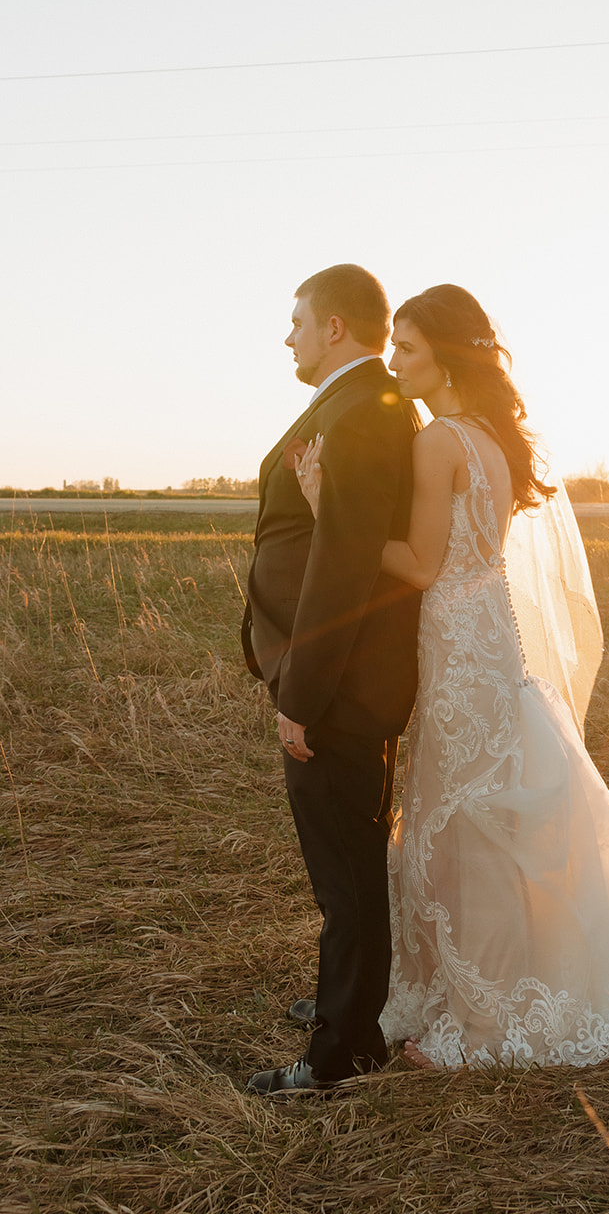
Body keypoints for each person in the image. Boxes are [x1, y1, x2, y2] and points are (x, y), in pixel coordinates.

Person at [297, 284, 609, 1069]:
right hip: (494, 638)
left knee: (457, 825)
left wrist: (329, 510)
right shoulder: (493, 437)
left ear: (444, 356)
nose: (395, 363)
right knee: (486, 813)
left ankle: (481, 1023)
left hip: (455, 640)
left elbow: (418, 565)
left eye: (407, 349)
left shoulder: (438, 441)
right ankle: (488, 986)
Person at [241, 264, 422, 1096]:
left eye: (297, 321)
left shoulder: (362, 413)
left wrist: (300, 699)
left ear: (336, 329)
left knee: (344, 878)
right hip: (337, 683)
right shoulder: (353, 405)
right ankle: (343, 1003)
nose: (288, 336)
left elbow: (344, 568)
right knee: (345, 867)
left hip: (337, 692)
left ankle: (341, 1052)